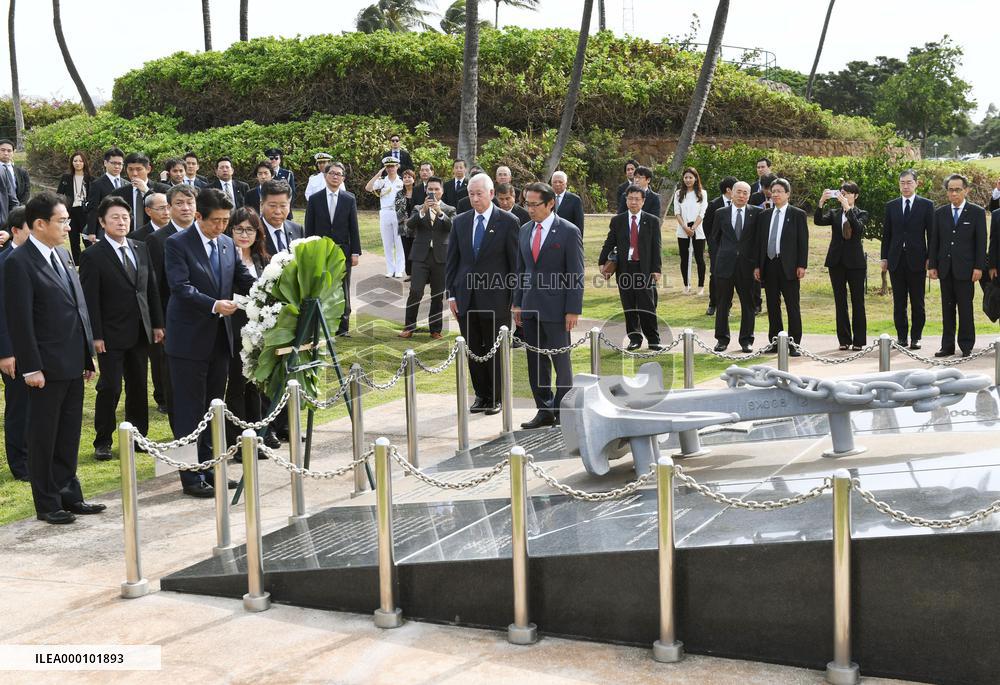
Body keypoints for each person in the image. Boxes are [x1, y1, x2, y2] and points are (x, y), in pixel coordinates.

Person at [4, 192, 102, 523]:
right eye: (62, 221)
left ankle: (69, 493)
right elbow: (20, 320)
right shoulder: (18, 262)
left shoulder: (60, 254)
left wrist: (87, 357)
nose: (67, 227)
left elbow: (78, 308)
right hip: (44, 367)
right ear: (39, 224)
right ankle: (47, 503)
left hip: (72, 361)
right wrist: (31, 367)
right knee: (43, 436)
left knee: (68, 433)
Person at [164, 188, 255, 498]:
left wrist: (273, 289)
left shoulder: (228, 244)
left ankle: (212, 466)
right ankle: (190, 476)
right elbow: (180, 288)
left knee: (214, 407)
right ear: (199, 216)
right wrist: (214, 305)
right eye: (215, 221)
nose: (221, 227)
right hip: (188, 341)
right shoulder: (177, 244)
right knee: (190, 409)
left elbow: (243, 278)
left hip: (220, 341)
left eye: (225, 221)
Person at [79, 196, 164, 461]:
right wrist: (96, 335)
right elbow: (89, 299)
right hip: (110, 334)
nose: (121, 221)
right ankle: (102, 440)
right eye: (114, 217)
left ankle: (139, 438)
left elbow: (151, 289)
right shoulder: (92, 255)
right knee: (110, 387)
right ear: (103, 222)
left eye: (125, 217)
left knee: (138, 386)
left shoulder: (140, 247)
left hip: (140, 331)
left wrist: (158, 323)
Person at [446, 173, 519, 416]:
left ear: (490, 193)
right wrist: (452, 296)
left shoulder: (508, 222)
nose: (475, 199)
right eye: (471, 194)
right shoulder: (460, 221)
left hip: (497, 297)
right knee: (474, 348)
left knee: (495, 348)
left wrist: (515, 299)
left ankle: (497, 396)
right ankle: (482, 395)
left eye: (479, 194)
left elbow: (515, 264)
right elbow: (452, 261)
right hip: (466, 297)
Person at [514, 181, 584, 429]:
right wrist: (517, 304)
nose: (530, 209)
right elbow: (521, 270)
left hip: (557, 308)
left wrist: (573, 309)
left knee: (561, 363)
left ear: (550, 203)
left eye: (534, 204)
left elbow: (576, 273)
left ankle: (562, 411)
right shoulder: (524, 230)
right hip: (530, 307)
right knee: (536, 362)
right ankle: (544, 410)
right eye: (527, 204)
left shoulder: (568, 231)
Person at [146, 184, 199, 423]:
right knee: (172, 375)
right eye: (179, 203)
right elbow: (154, 286)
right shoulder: (157, 240)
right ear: (169, 207)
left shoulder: (205, 233)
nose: (185, 208)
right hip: (172, 319)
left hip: (204, 317)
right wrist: (159, 322)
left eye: (189, 202)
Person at [224, 207, 270, 445]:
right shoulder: (224, 256)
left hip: (258, 328)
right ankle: (237, 439)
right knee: (237, 383)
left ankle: (257, 436)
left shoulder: (263, 259)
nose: (244, 235)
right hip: (232, 325)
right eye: (239, 229)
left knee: (255, 383)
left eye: (250, 229)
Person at [929, 173, 987, 357]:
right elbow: (934, 241)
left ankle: (966, 345)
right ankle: (947, 346)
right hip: (945, 269)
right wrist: (932, 265)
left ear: (966, 190)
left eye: (957, 190)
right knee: (947, 309)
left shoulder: (977, 212)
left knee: (965, 308)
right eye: (950, 190)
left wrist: (979, 267)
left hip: (966, 270)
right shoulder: (940, 213)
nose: (954, 194)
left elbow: (980, 242)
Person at [599, 185, 662, 351]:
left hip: (645, 269)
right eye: (630, 198)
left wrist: (657, 269)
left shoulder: (652, 221)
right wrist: (601, 261)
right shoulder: (618, 221)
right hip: (625, 268)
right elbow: (609, 242)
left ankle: (654, 339)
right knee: (629, 306)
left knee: (647, 305)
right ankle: (635, 338)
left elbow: (656, 247)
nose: (633, 202)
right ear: (626, 200)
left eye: (637, 199)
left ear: (643, 201)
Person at [304, 162, 360, 336]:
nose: (336, 177)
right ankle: (321, 324)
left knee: (343, 288)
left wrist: (355, 252)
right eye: (332, 173)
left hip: (343, 251)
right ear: (325, 175)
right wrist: (309, 250)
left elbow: (354, 227)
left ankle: (343, 327)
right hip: (321, 251)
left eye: (339, 174)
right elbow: (309, 227)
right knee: (321, 286)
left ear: (343, 178)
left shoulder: (349, 199)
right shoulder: (314, 199)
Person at [881, 170, 934, 350]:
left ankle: (916, 337)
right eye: (902, 182)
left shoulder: (926, 205)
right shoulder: (892, 206)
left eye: (909, 182)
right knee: (899, 302)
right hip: (896, 260)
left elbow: (932, 235)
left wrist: (930, 259)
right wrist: (884, 257)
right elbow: (886, 234)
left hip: (917, 260)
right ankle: (901, 337)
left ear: (916, 184)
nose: (905, 186)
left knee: (917, 302)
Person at [755, 178, 808, 354]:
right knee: (772, 304)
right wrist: (757, 266)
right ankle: (775, 342)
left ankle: (794, 344)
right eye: (773, 191)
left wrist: (802, 264)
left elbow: (803, 242)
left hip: (789, 266)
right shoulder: (764, 215)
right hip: (769, 265)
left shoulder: (797, 214)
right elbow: (760, 243)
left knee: (792, 305)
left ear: (787, 194)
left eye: (779, 191)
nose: (775, 194)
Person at [816, 182, 868, 350]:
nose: (844, 196)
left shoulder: (862, 213)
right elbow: (818, 221)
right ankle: (844, 340)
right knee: (840, 301)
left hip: (856, 263)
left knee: (857, 301)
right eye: (842, 193)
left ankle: (859, 341)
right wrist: (821, 203)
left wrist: (849, 209)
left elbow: (858, 229)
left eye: (848, 193)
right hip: (836, 262)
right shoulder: (834, 213)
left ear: (856, 196)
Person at [400, 176, 453, 340]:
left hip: (441, 257)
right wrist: (423, 210)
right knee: (415, 291)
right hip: (420, 256)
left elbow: (452, 227)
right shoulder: (417, 208)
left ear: (442, 191)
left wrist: (440, 212)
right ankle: (409, 327)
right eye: (430, 189)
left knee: (437, 295)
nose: (433, 192)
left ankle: (435, 329)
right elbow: (409, 225)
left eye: (436, 189)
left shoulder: (449, 209)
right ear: (426, 190)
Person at [711, 181, 761, 353]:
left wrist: (757, 265)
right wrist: (719, 259)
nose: (741, 196)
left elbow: (758, 242)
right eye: (738, 192)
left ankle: (746, 340)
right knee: (723, 303)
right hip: (725, 265)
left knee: (748, 304)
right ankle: (721, 340)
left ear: (749, 195)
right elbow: (714, 239)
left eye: (745, 193)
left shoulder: (757, 213)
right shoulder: (720, 213)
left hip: (748, 266)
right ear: (731, 193)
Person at [0, 207, 30, 481]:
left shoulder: (34, 258)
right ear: (16, 231)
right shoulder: (5, 261)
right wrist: (6, 352)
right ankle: (19, 463)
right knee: (19, 405)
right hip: (13, 351)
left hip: (36, 347)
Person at [365, 157, 406, 277]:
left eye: (392, 166)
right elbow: (368, 188)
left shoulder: (402, 181)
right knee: (387, 242)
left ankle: (399, 269)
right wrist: (378, 174)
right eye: (388, 166)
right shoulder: (382, 181)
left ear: (397, 166)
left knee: (399, 242)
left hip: (399, 212)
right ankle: (390, 269)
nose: (390, 169)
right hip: (385, 212)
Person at [111, 152, 170, 232]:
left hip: (156, 235)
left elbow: (166, 211)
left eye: (139, 169)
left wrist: (147, 191)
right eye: (130, 169)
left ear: (148, 169)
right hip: (130, 237)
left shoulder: (163, 189)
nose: (134, 174)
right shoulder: (118, 194)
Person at [673, 167, 709, 295]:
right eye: (686, 177)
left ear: (695, 178)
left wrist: (693, 228)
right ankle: (686, 285)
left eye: (690, 177)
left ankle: (700, 286)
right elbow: (677, 212)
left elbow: (702, 212)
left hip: (697, 230)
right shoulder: (678, 193)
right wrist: (685, 228)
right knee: (684, 258)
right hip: (683, 229)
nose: (688, 180)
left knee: (699, 258)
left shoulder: (702, 193)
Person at [704, 176, 737, 316]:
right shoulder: (714, 204)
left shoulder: (738, 204)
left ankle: (726, 307)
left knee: (731, 277)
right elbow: (707, 226)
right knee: (715, 276)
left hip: (734, 249)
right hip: (718, 248)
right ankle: (713, 304)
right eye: (736, 189)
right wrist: (713, 244)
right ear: (729, 190)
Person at [85, 147, 126, 244]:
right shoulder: (97, 184)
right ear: (105, 163)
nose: (117, 166)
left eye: (120, 164)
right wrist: (91, 232)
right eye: (113, 163)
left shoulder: (127, 184)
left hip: (123, 228)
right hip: (103, 229)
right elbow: (93, 209)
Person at [55, 151, 91, 264]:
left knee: (87, 239)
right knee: (74, 240)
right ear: (72, 162)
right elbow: (59, 195)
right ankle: (77, 263)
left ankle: (89, 261)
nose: (78, 163)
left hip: (85, 212)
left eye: (80, 161)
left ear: (84, 162)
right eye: (75, 161)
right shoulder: (66, 177)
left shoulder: (91, 179)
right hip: (71, 212)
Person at [258, 179, 302, 257]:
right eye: (272, 206)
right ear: (262, 205)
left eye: (283, 206)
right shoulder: (254, 232)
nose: (278, 211)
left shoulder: (298, 230)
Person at [396, 168, 417, 278]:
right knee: (407, 250)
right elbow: (398, 209)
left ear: (414, 179)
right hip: (403, 226)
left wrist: (413, 220)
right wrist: (406, 220)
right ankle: (409, 274)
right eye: (405, 177)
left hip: (417, 226)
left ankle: (418, 273)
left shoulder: (418, 192)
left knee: (416, 250)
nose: (407, 179)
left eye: (409, 177)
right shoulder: (399, 193)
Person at [551, 171, 585, 235]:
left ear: (566, 184)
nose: (557, 184)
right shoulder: (546, 198)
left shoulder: (575, 200)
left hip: (567, 237)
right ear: (551, 184)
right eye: (555, 182)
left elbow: (579, 223)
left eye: (560, 182)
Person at [265, 147, 295, 219]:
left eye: (276, 158)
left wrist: (286, 206)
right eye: (271, 158)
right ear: (268, 160)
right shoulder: (265, 174)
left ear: (280, 160)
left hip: (284, 208)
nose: (274, 160)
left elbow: (292, 193)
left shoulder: (288, 174)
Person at [0, 138, 30, 206]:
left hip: (17, 209)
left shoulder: (22, 172)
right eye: (2, 150)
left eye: (9, 151)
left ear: (13, 153)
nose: (6, 153)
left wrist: (19, 208)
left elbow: (26, 191)